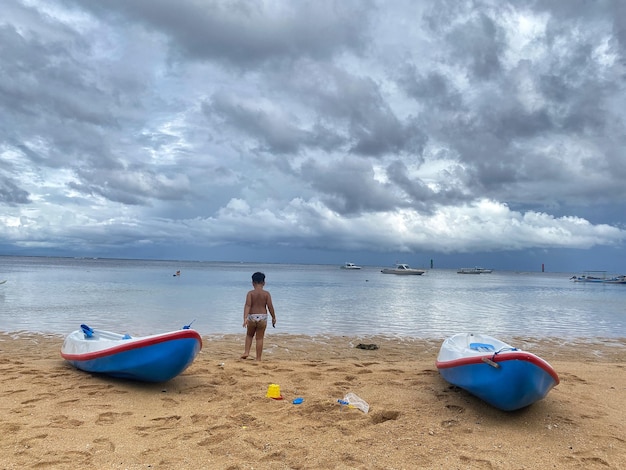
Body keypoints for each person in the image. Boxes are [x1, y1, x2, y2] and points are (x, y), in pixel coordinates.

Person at [241, 272, 276, 361]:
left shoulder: (250, 293)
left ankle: (246, 352)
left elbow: (247, 305)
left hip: (252, 316)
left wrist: (245, 318)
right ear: (264, 283)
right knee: (259, 338)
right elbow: (270, 306)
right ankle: (258, 358)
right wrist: (273, 317)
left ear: (253, 283)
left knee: (249, 335)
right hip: (263, 317)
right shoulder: (266, 294)